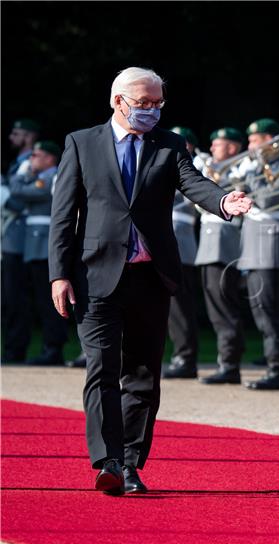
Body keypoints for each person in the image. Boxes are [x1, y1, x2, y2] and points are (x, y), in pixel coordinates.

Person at [48, 67, 252, 495]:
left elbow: (193, 183)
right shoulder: (82, 143)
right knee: (102, 369)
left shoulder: (169, 144)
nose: (152, 111)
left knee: (143, 375)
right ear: (117, 101)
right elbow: (64, 215)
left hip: (151, 276)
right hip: (96, 275)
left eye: (159, 103)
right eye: (144, 103)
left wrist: (223, 201)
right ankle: (108, 462)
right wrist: (59, 275)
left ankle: (131, 462)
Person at [237, 118, 279, 390]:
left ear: (271, 140)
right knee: (260, 308)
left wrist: (253, 173)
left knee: (273, 309)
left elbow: (270, 199)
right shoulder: (254, 167)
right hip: (253, 243)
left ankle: (278, 367)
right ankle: (272, 360)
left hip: (272, 244)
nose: (250, 145)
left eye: (255, 140)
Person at [7, 141, 68, 365]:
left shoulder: (52, 178)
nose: (31, 159)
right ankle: (48, 347)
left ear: (50, 159)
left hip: (45, 245)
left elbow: (18, 191)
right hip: (35, 246)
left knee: (49, 301)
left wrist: (22, 174)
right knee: (41, 301)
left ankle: (53, 349)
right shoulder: (39, 178)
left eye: (36, 155)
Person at [196, 127, 247, 385]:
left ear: (233, 148)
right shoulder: (214, 168)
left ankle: (230, 363)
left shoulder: (240, 169)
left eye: (219, 144)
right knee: (215, 308)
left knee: (224, 307)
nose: (213, 148)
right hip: (208, 245)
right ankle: (225, 361)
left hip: (224, 245)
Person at [163, 126, 201, 379]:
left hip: (181, 242)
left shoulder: (196, 165)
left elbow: (191, 199)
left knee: (180, 304)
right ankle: (179, 354)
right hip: (163, 242)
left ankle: (186, 357)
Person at [2, 118, 40, 363]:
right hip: (12, 235)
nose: (11, 138)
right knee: (10, 296)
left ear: (28, 136)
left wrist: (5, 197)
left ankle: (17, 348)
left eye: (17, 133)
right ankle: (13, 347)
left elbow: (20, 199)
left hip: (22, 236)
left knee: (18, 296)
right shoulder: (19, 163)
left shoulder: (31, 163)